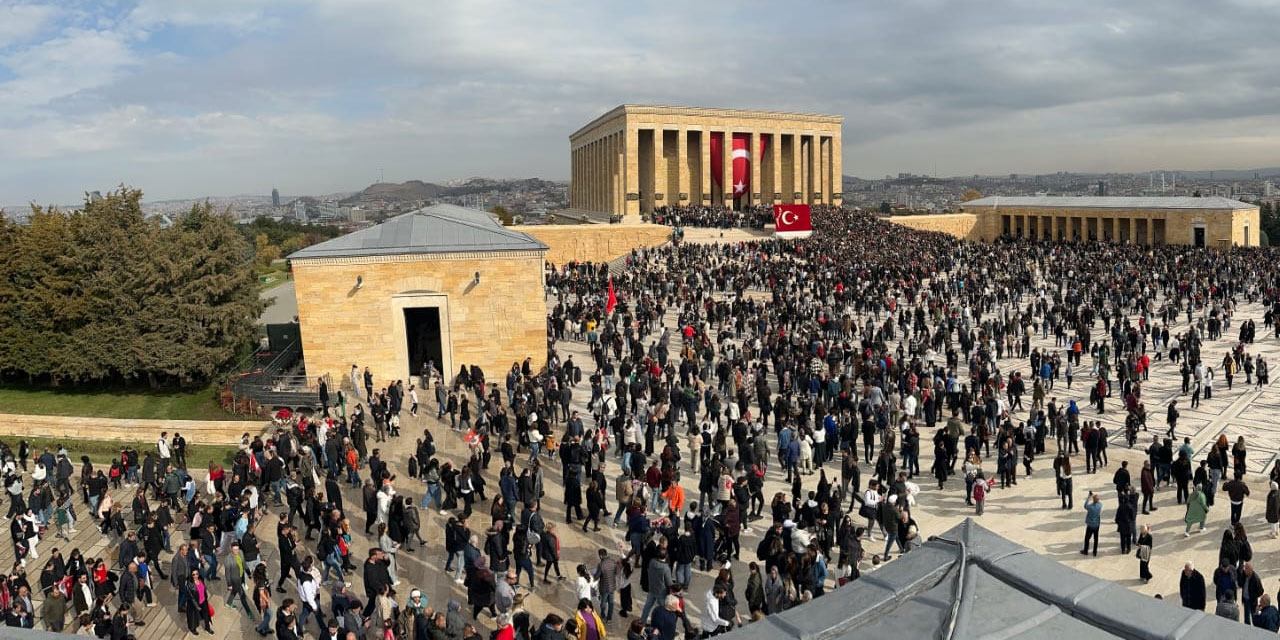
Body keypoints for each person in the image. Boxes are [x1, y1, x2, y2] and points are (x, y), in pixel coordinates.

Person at [1081, 492, 1101, 557]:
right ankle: (1094, 552)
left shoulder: (1090, 507)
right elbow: (1098, 502)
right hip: (1097, 525)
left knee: (1087, 538)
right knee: (1096, 539)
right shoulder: (1100, 505)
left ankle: (1085, 550)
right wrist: (1095, 498)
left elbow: (1085, 505)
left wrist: (1089, 497)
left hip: (1090, 525)